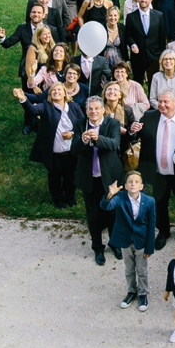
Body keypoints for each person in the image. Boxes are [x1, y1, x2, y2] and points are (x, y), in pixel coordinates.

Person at [133, 90, 175, 246]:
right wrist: (132, 129)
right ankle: (163, 231)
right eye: (159, 101)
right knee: (159, 202)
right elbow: (135, 136)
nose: (161, 105)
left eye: (166, 102)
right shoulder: (149, 117)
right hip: (157, 171)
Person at [71, 95, 124, 266]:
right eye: (90, 109)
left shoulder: (112, 123)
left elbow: (114, 144)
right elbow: (73, 150)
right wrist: (83, 140)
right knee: (93, 214)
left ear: (103, 110)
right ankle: (97, 247)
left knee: (113, 213)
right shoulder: (80, 124)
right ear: (86, 111)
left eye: (96, 108)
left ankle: (114, 243)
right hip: (89, 177)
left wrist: (97, 138)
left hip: (109, 177)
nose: (93, 112)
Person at [13, 82, 85, 208]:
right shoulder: (46, 106)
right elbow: (33, 110)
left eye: (59, 90)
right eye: (53, 91)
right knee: (55, 177)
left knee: (70, 176)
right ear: (50, 94)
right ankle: (58, 200)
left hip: (71, 152)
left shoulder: (74, 106)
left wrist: (72, 134)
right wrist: (23, 99)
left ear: (64, 93)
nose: (56, 92)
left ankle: (70, 198)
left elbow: (82, 124)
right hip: (54, 153)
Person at [100, 171, 156, 311]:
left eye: (136, 182)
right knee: (129, 269)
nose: (133, 184)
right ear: (125, 186)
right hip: (125, 240)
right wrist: (110, 194)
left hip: (141, 241)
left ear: (141, 186)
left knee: (142, 270)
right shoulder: (120, 198)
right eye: (130, 181)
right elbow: (106, 206)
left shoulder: (149, 201)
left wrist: (150, 247)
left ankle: (143, 293)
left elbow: (151, 225)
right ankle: (131, 291)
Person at [124, 0, 167, 86]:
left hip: (154, 56)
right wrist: (132, 44)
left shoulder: (158, 15)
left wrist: (160, 54)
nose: (143, 0)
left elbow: (162, 37)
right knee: (137, 82)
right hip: (138, 56)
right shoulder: (131, 17)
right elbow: (128, 36)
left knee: (153, 83)